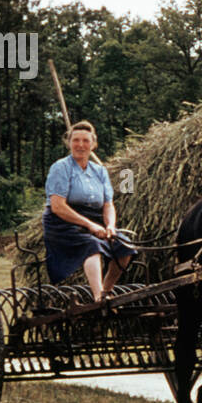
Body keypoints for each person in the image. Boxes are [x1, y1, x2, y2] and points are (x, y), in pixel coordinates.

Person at [43, 121, 136, 301]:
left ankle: (106, 292)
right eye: (76, 140)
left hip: (94, 221)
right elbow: (57, 206)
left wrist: (110, 226)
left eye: (86, 141)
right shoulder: (60, 168)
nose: (80, 145)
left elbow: (108, 204)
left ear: (93, 144)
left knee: (125, 247)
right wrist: (90, 226)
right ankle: (97, 298)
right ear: (69, 143)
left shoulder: (100, 171)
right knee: (92, 246)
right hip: (63, 224)